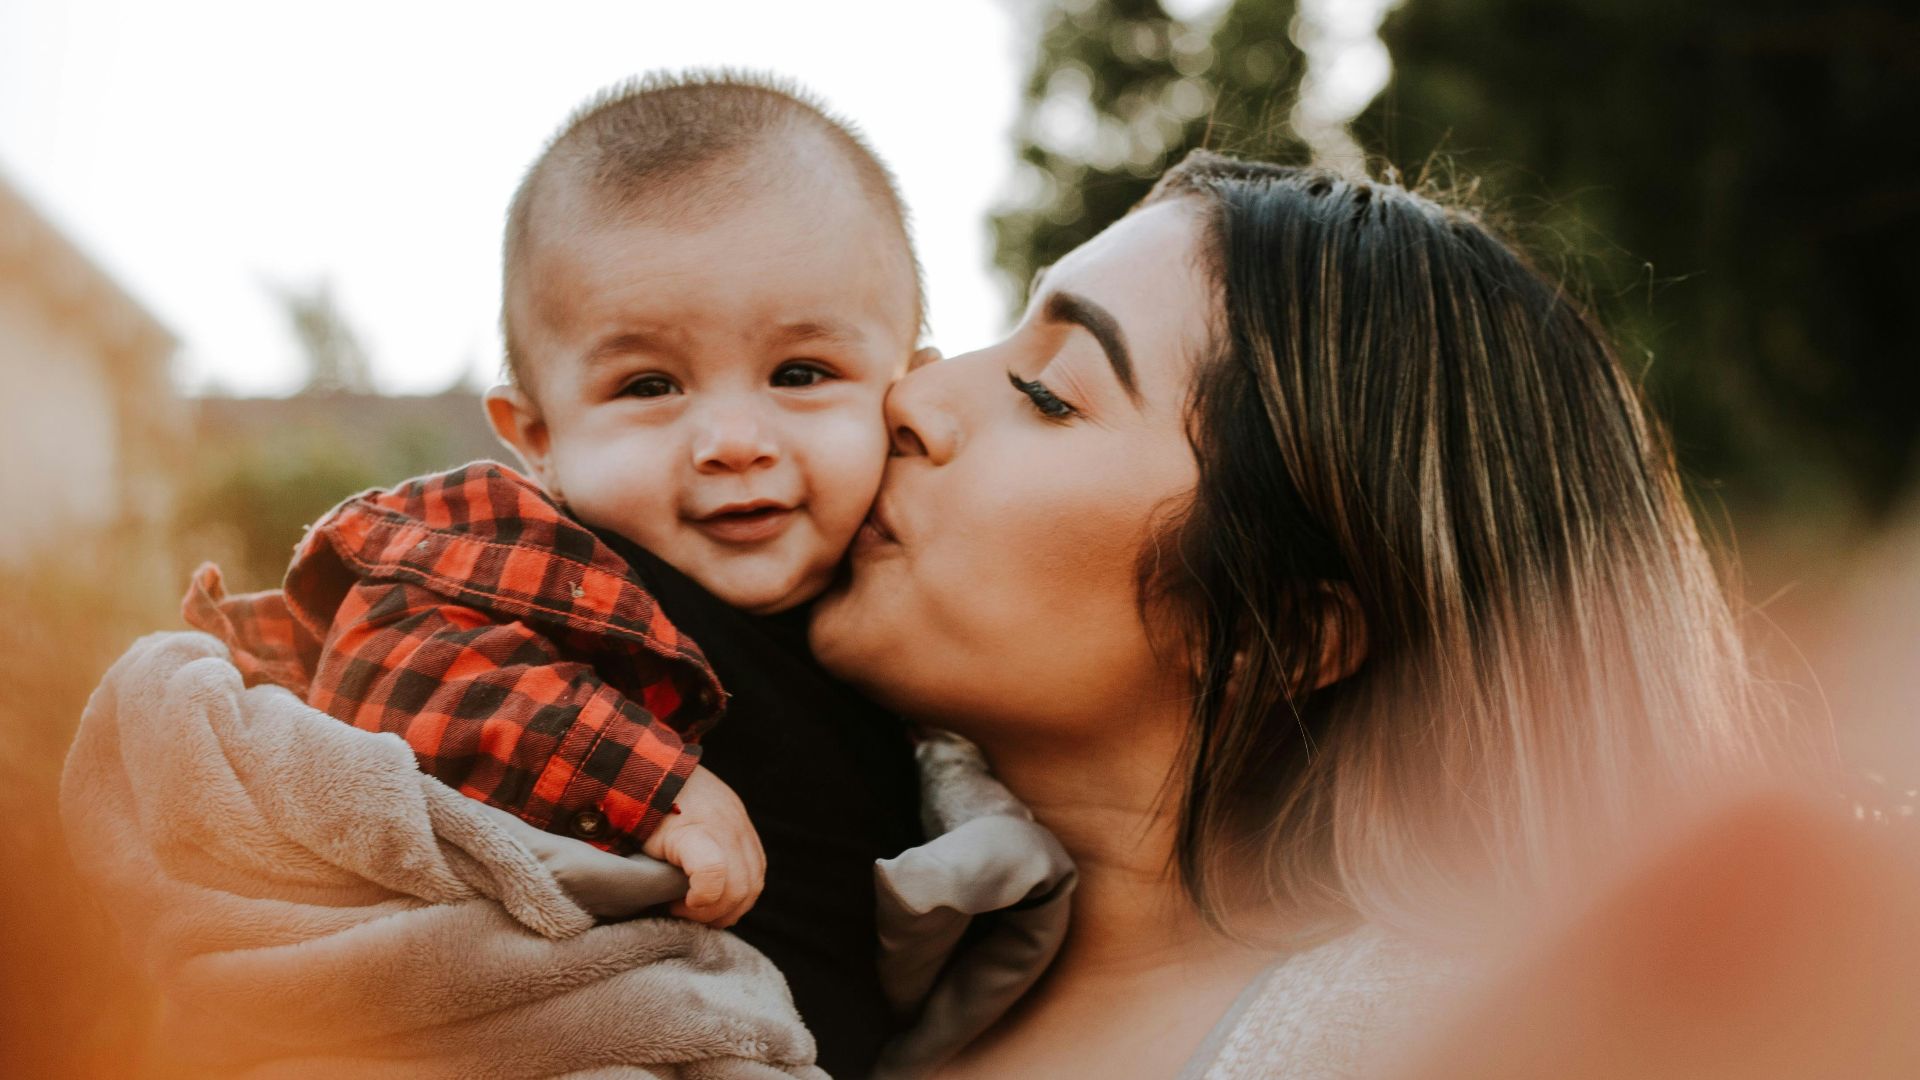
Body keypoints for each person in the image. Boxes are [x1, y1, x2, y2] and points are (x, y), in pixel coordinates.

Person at [809, 151, 1773, 1078]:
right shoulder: (812, 928)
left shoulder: (1442, 1048)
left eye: (1048, 394)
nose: (914, 394)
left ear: (1287, 632)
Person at [181, 71, 927, 1079]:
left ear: (910, 388)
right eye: (648, 386)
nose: (733, 440)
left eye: (800, 374)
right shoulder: (547, 558)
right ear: (538, 438)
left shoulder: (919, 599)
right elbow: (396, 658)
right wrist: (652, 787)